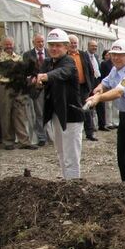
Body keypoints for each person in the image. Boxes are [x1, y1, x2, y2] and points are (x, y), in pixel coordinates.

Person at [86, 39, 125, 184]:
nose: (115, 58)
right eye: (113, 54)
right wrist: (99, 89)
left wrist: (99, 98)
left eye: (120, 55)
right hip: (124, 116)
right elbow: (106, 82)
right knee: (121, 157)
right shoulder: (115, 69)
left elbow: (118, 92)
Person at [32, 29, 84, 178]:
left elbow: (63, 73)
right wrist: (37, 83)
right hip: (56, 114)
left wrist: (45, 76)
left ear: (66, 47)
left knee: (71, 155)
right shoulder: (47, 62)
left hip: (71, 114)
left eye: (58, 45)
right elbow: (40, 84)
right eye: (51, 45)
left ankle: (73, 186)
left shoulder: (69, 61)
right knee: (61, 152)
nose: (54, 49)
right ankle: (66, 182)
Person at [0, 37, 36, 150]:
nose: (9, 47)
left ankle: (24, 141)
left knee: (20, 113)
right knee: (6, 113)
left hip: (18, 87)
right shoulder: (0, 58)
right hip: (4, 87)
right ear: (2, 45)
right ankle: (8, 141)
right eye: (7, 45)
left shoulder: (18, 57)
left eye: (10, 44)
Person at [67, 35, 97, 141]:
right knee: (73, 109)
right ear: (67, 43)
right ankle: (74, 132)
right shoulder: (65, 56)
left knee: (86, 108)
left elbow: (91, 70)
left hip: (83, 86)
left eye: (75, 43)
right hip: (70, 88)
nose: (74, 45)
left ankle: (90, 132)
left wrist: (90, 86)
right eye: (71, 42)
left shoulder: (83, 54)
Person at [23, 33, 49, 146]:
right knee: (39, 113)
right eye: (38, 41)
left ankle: (51, 135)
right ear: (33, 42)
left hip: (50, 86)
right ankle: (41, 137)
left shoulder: (49, 53)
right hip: (35, 88)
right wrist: (32, 79)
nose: (41, 44)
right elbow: (25, 72)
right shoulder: (27, 55)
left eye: (42, 41)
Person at [86, 40, 105, 131]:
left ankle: (102, 124)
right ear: (88, 46)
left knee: (100, 103)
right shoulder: (85, 56)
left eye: (96, 47)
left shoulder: (96, 57)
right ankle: (91, 126)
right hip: (89, 81)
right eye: (92, 46)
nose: (94, 48)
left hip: (97, 81)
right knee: (90, 103)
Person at [99, 50, 118, 129]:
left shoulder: (117, 64)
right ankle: (109, 122)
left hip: (116, 86)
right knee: (108, 105)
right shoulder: (104, 63)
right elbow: (103, 75)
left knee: (116, 105)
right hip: (108, 86)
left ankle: (116, 122)